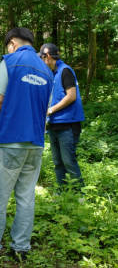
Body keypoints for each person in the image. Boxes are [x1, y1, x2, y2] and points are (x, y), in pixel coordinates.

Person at [0, 28, 53, 261]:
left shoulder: (10, 62)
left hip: (10, 141)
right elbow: (46, 111)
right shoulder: (47, 70)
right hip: (36, 144)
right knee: (26, 197)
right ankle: (20, 247)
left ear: (12, 43)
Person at [39, 43, 85, 189]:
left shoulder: (65, 71)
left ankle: (79, 196)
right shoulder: (52, 74)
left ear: (48, 56)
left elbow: (71, 96)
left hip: (67, 126)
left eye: (41, 57)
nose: (41, 61)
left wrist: (51, 110)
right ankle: (62, 193)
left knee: (69, 161)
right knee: (58, 162)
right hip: (53, 125)